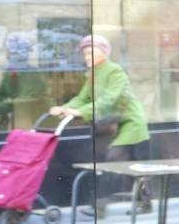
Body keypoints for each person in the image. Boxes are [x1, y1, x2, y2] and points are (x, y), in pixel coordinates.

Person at [50, 35, 150, 213]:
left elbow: (110, 99)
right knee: (128, 164)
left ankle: (100, 207)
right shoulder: (93, 74)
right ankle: (144, 203)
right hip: (111, 124)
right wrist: (64, 108)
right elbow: (82, 98)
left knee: (113, 161)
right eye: (85, 54)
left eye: (90, 53)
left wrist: (82, 112)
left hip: (129, 124)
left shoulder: (114, 71)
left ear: (103, 53)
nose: (86, 57)